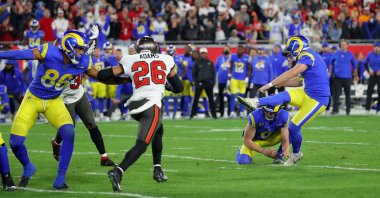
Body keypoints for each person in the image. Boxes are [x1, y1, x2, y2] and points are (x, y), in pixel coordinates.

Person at [0, 26, 122, 189]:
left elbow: (100, 76)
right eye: (79, 49)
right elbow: (20, 54)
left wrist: (124, 79)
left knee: (69, 133)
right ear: (70, 47)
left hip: (54, 101)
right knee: (15, 143)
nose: (82, 52)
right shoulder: (48, 51)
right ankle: (28, 165)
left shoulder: (83, 61)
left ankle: (60, 179)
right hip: (33, 99)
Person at [95, 36, 183, 191]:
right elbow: (179, 87)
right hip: (151, 105)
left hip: (135, 104)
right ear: (155, 48)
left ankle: (157, 169)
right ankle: (118, 172)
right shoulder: (166, 59)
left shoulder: (130, 59)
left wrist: (126, 79)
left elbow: (102, 76)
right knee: (142, 145)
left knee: (158, 130)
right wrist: (166, 85)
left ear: (138, 48)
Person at [238, 35, 330, 166]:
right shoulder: (309, 56)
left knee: (293, 127)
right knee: (284, 95)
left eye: (290, 50)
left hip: (318, 99)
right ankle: (256, 102)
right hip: (307, 92)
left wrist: (270, 84)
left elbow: (291, 73)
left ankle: (296, 153)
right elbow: (298, 81)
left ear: (297, 47)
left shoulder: (308, 55)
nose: (289, 54)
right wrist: (279, 84)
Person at [50, 72, 115, 166]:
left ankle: (104, 158)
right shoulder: (61, 59)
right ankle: (56, 143)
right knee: (68, 129)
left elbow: (93, 73)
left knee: (91, 124)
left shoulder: (83, 58)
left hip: (80, 94)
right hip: (65, 99)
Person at [330, 39, 358, 115]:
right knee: (336, 94)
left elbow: (354, 66)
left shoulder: (350, 54)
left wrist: (356, 75)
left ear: (347, 45)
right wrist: (330, 73)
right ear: (340, 46)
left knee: (348, 94)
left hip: (347, 77)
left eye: (344, 44)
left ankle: (348, 110)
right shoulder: (335, 54)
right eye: (342, 44)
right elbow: (331, 65)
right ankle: (335, 110)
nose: (343, 46)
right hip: (337, 77)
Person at [190, 47, 217, 119]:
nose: (203, 54)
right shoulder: (197, 62)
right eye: (202, 53)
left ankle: (214, 115)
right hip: (199, 83)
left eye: (204, 53)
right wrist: (196, 82)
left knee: (211, 99)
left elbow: (213, 73)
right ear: (200, 54)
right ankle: (192, 115)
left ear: (207, 53)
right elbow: (194, 73)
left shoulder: (210, 62)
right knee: (196, 99)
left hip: (208, 83)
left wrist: (213, 82)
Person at [228, 45, 250, 118]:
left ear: (243, 50)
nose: (239, 51)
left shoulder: (247, 57)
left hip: (243, 79)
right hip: (234, 78)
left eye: (241, 49)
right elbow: (230, 67)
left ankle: (241, 112)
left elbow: (249, 69)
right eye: (238, 49)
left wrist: (247, 78)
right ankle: (232, 112)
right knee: (233, 96)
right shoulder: (233, 56)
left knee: (242, 97)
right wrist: (229, 78)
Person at [215, 44, 232, 117]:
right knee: (221, 97)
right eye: (224, 49)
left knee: (229, 97)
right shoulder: (219, 58)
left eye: (227, 49)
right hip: (221, 80)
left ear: (230, 50)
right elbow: (215, 69)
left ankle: (229, 113)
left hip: (229, 81)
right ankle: (221, 113)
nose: (225, 50)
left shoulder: (232, 58)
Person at [364, 42, 380, 113]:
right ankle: (367, 108)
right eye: (375, 47)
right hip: (372, 75)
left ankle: (379, 109)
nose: (376, 48)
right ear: (373, 48)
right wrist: (369, 71)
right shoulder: (369, 54)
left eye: (378, 47)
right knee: (369, 91)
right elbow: (365, 64)